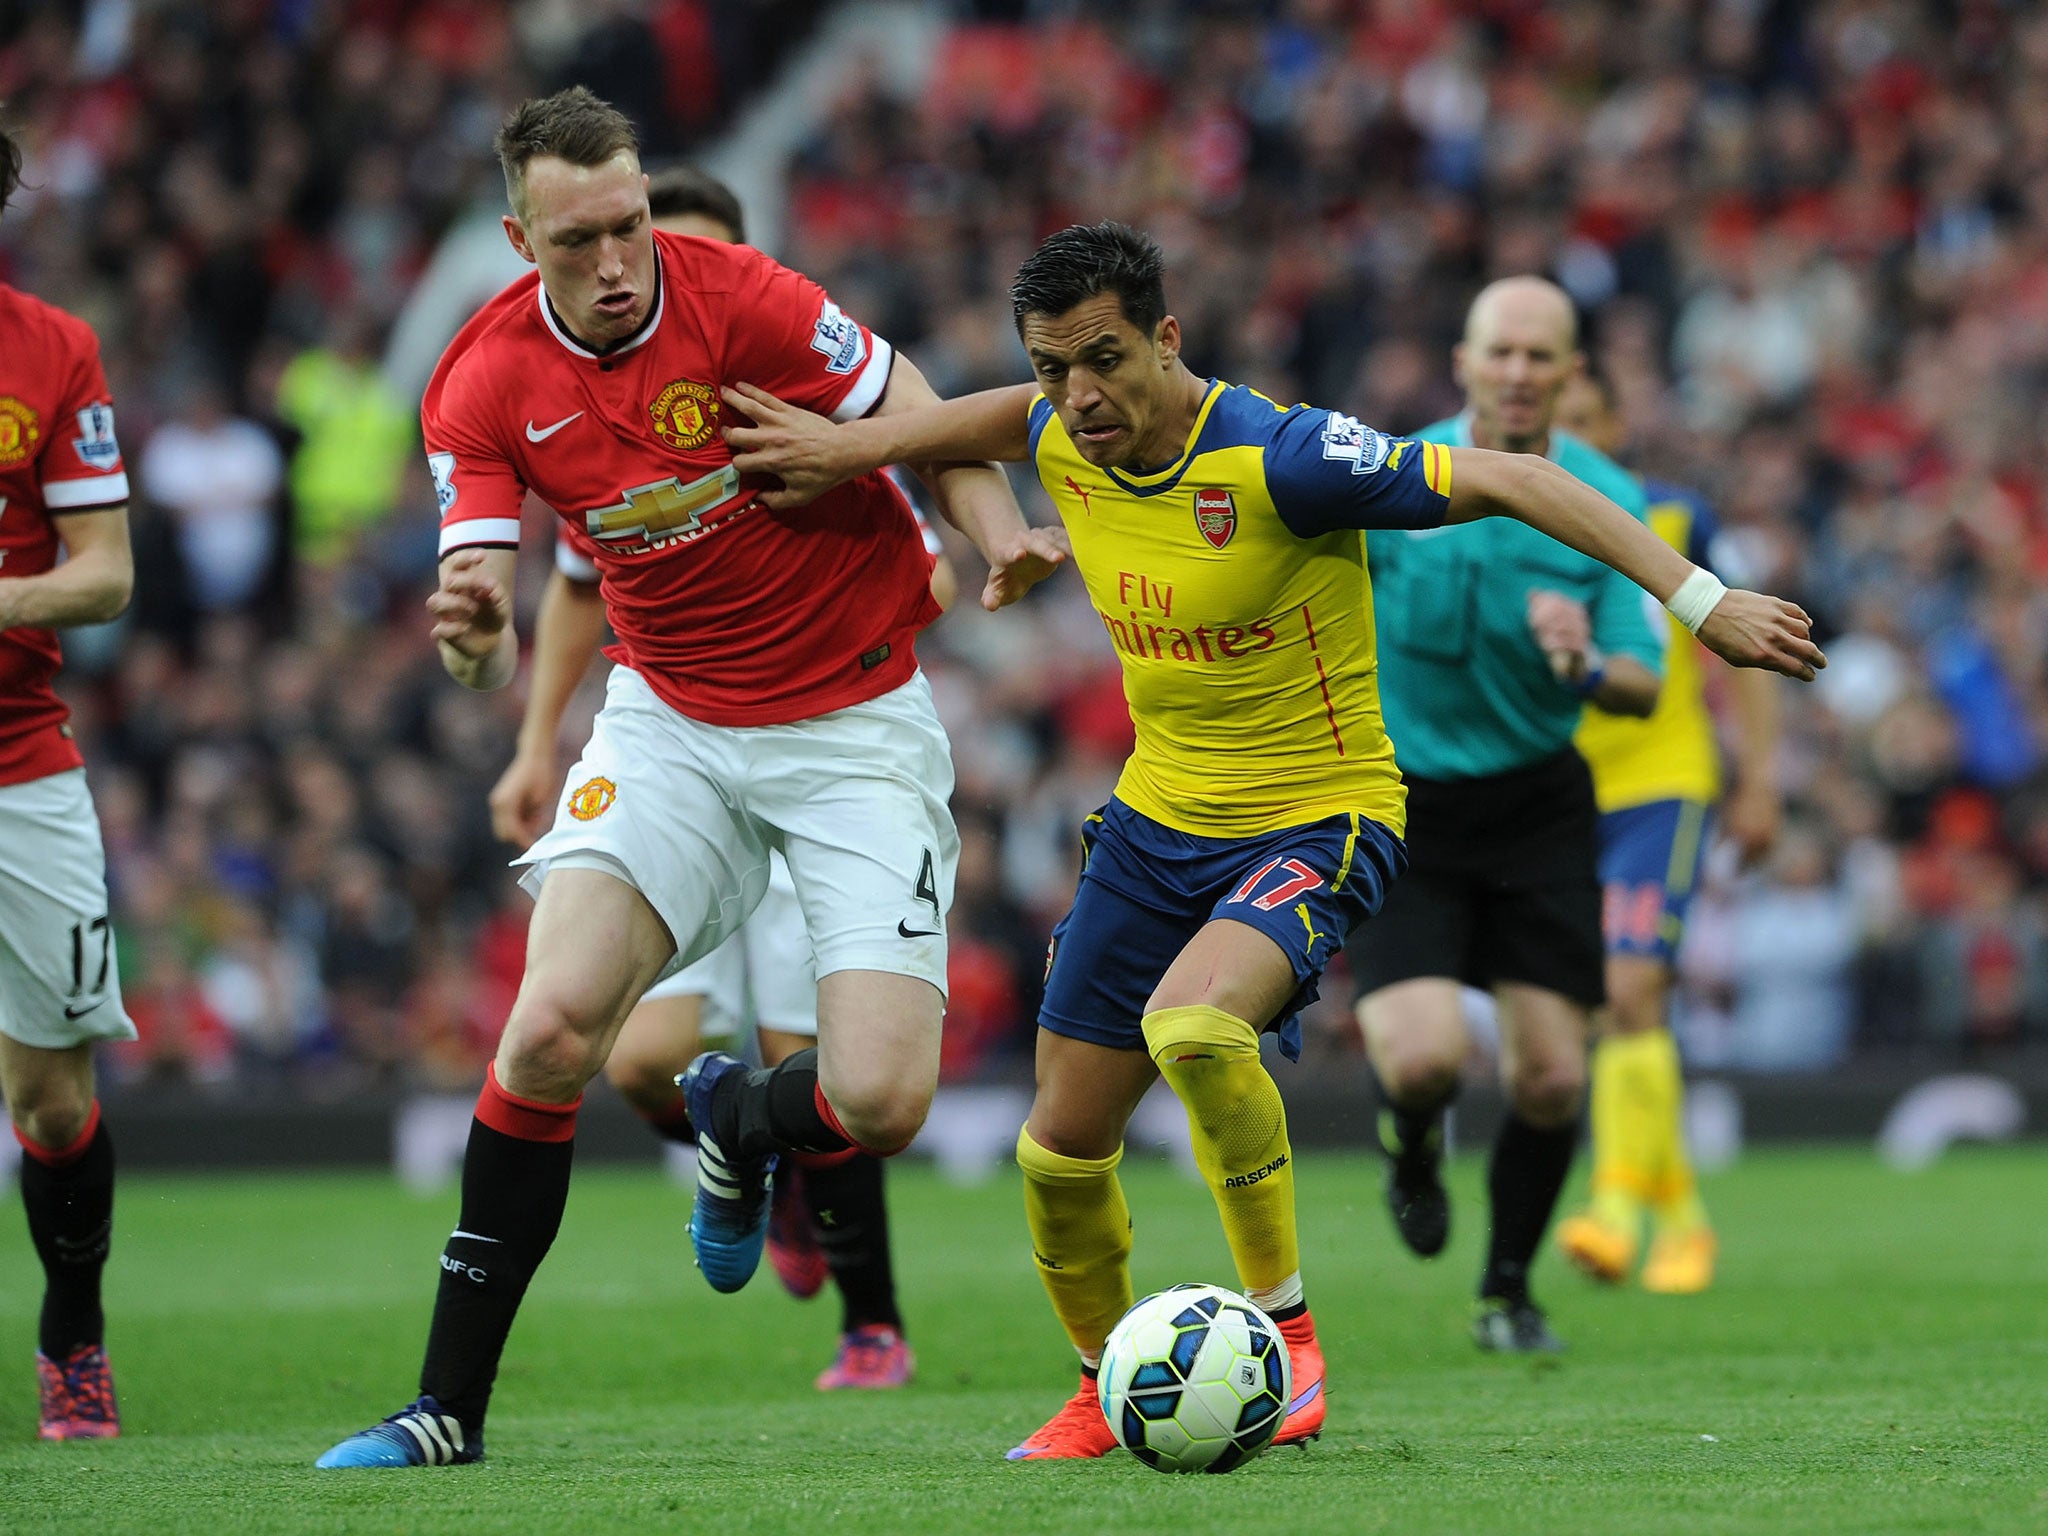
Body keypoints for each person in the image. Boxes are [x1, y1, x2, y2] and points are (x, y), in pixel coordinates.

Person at [720, 223, 1821, 1459]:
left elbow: (1517, 477)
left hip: (1321, 812)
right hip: (1152, 828)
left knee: (1193, 1028)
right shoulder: (1052, 428)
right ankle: (1099, 1387)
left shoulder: (1284, 456)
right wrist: (841, 449)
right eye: (1049, 369)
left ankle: (1287, 1337)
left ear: (1165, 338)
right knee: (1055, 1147)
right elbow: (967, 424)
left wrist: (1700, 601)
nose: (1077, 399)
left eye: (1101, 360)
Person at [318, 88, 1061, 1469]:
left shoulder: (747, 297)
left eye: (628, 225)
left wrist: (998, 527)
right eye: (577, 240)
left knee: (883, 1103)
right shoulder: (478, 383)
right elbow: (480, 611)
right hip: (668, 724)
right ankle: (443, 1411)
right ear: (517, 237)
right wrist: (475, 638)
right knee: (548, 1036)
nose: (614, 264)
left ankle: (736, 1115)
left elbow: (914, 407)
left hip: (853, 724)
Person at [487, 164, 954, 1392]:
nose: (629, 283)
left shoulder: (804, 404)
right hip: (683, 746)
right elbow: (577, 592)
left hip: (824, 736)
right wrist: (537, 746)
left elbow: (927, 555)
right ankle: (747, 1150)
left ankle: (871, 1322)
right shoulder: (603, 439)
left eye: (659, 250)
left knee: (838, 1059)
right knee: (636, 1059)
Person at [1351, 276, 1678, 1354]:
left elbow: (1643, 678)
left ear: (1571, 373)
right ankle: (1408, 1144)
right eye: (1502, 352)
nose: (1520, 373)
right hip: (1413, 809)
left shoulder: (1603, 499)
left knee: (1548, 1076)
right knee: (1423, 1062)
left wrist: (1581, 663)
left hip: (1536, 805)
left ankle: (1504, 1291)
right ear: (1462, 361)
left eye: (1543, 356)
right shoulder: (1397, 484)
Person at [1549, 368, 1781, 1295]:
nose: (1565, 438)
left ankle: (1612, 1209)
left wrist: (1758, 781)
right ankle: (1683, 1218)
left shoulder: (1676, 519)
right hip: (1554, 793)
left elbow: (1749, 656)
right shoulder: (1502, 518)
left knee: (1633, 986)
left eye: (1581, 419)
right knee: (1608, 1011)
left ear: (1613, 423)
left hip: (1660, 783)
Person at [0, 123, 140, 1440]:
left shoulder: (50, 348)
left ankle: (72, 1333)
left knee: (51, 1096)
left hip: (15, 762)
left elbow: (105, 572)